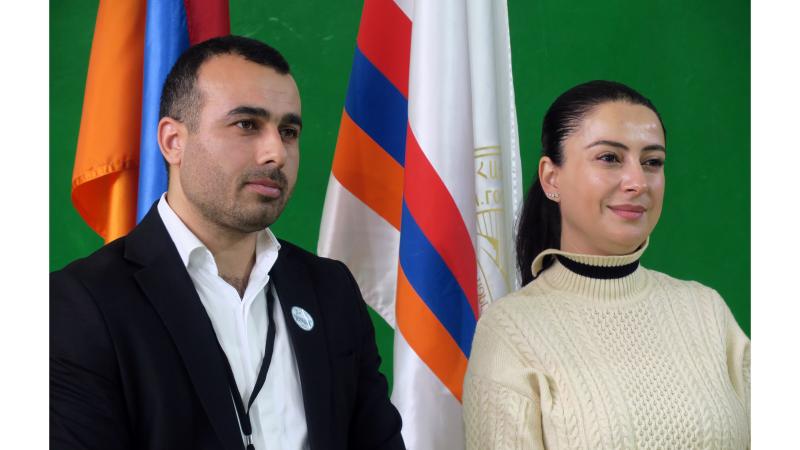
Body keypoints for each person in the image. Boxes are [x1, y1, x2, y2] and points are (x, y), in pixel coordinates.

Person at [50, 35, 404, 450]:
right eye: (247, 125)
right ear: (173, 141)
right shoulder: (80, 304)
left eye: (288, 131)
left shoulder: (332, 289)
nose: (276, 153)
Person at [463, 80, 749, 449]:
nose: (638, 182)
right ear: (551, 177)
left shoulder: (706, 311)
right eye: (610, 158)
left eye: (652, 162)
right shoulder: (511, 331)